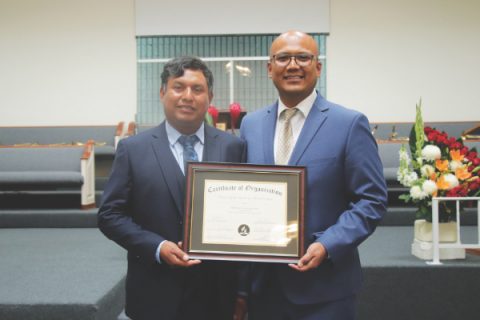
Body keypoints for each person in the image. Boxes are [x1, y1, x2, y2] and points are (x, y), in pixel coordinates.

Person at [237, 31, 388, 319]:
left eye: (303, 57)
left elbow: (372, 200)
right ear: (270, 69)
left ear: (318, 67)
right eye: (283, 58)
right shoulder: (251, 124)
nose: (293, 65)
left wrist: (327, 244)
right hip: (263, 288)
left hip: (325, 289)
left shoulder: (349, 123)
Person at [98, 56, 246, 320]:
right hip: (154, 290)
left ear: (209, 96)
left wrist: (243, 292)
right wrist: (157, 246)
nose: (187, 96)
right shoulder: (133, 149)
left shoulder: (232, 147)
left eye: (197, 89)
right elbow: (110, 216)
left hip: (216, 293)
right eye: (178, 87)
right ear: (162, 92)